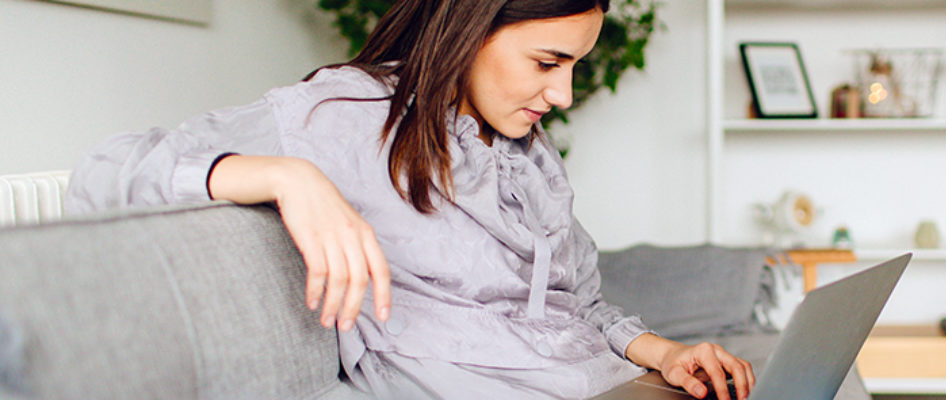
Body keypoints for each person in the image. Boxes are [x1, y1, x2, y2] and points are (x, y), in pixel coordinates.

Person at [64, 0, 755, 399]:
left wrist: (661, 354)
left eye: (575, 66)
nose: (563, 95)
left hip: (602, 383)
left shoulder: (526, 153)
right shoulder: (344, 114)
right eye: (547, 63)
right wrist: (284, 177)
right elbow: (102, 172)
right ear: (467, 27)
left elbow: (576, 304)